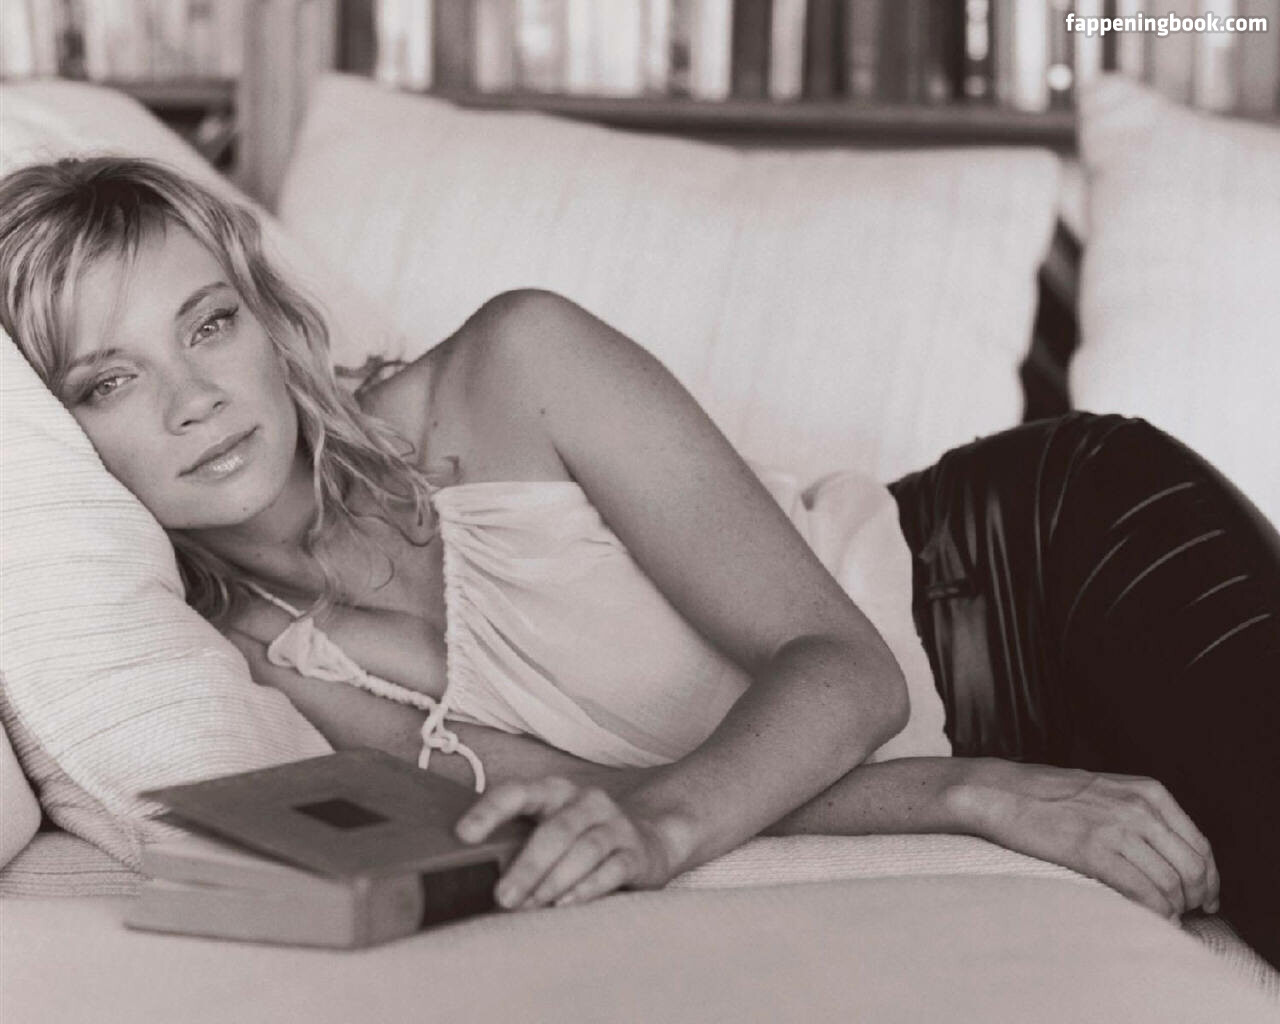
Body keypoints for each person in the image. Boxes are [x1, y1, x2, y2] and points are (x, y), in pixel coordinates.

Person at [1, 157, 1276, 965]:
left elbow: (841, 668)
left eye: (207, 324)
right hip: (959, 738)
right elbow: (602, 796)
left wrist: (963, 788)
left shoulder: (516, 364)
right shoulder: (263, 665)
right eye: (108, 380)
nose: (193, 399)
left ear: (265, 321)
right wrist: (967, 795)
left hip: (1045, 563)